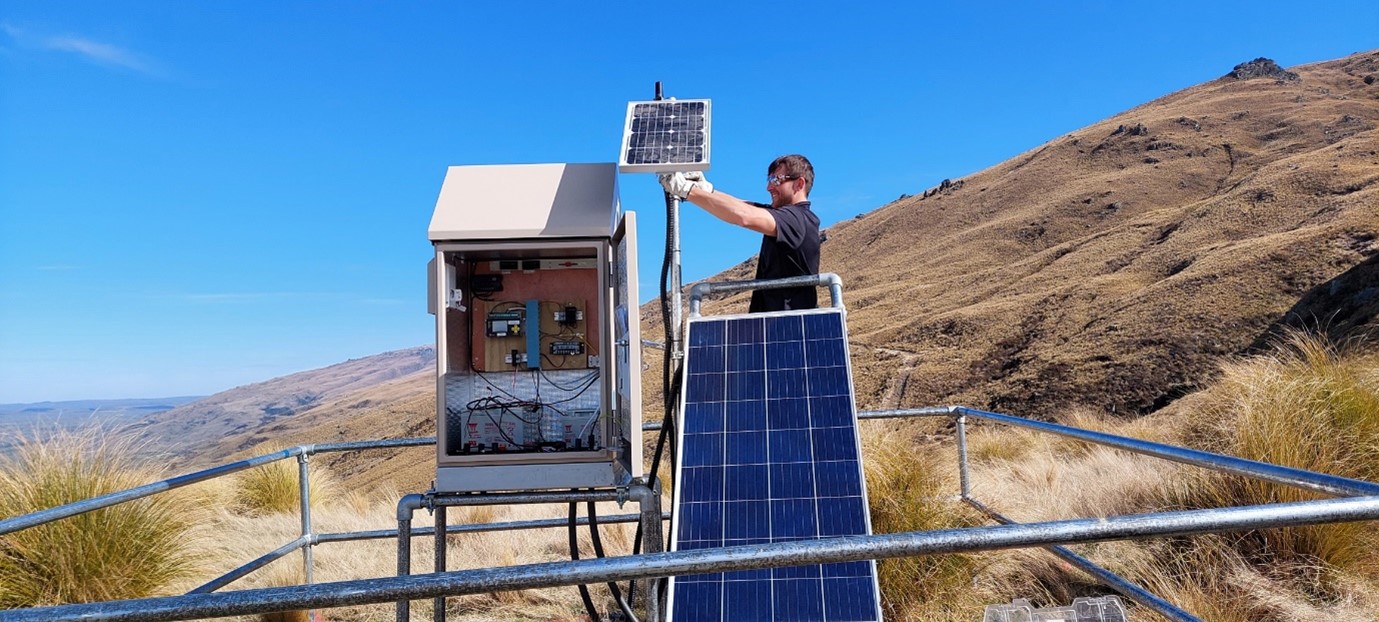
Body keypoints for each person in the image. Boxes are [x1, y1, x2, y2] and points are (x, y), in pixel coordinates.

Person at [659, 154, 821, 313]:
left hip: (789, 329)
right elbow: (742, 205)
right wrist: (707, 191)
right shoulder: (788, 217)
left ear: (799, 184)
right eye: (769, 180)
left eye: (776, 180)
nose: (769, 187)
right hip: (776, 326)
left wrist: (687, 190)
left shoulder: (798, 219)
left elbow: (743, 215)